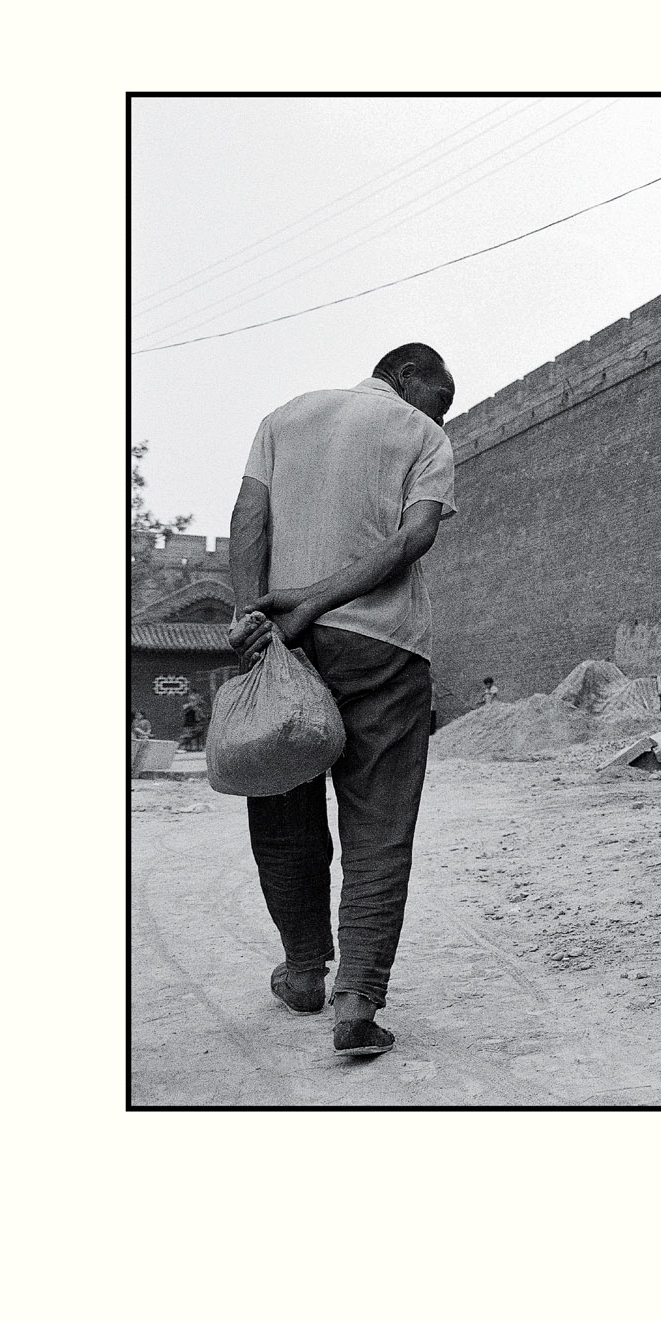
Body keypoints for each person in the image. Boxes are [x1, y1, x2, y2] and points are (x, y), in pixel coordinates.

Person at [225, 343, 458, 1058]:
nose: (442, 414)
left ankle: (302, 972)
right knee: (379, 825)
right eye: (441, 398)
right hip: (385, 649)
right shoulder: (424, 437)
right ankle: (356, 1000)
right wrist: (320, 598)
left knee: (283, 808)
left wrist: (256, 613)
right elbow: (416, 537)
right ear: (408, 376)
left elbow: (248, 518)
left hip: (286, 642)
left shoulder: (285, 418)